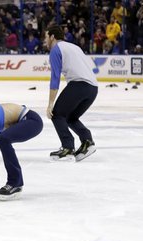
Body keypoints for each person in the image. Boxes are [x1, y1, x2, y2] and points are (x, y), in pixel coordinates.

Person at [44, 25, 98, 162]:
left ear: (52, 37)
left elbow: (55, 78)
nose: (45, 41)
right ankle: (87, 141)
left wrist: (50, 104)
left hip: (79, 84)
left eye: (46, 37)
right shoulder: (74, 47)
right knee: (70, 117)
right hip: (93, 88)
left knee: (57, 114)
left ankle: (67, 148)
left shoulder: (56, 50)